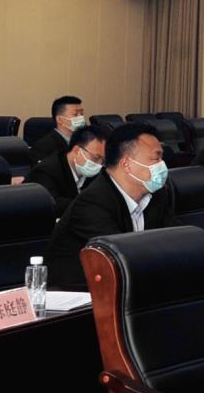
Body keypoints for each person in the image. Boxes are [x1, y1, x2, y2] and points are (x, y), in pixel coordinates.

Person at [42, 122, 176, 289]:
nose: (161, 165)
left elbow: (177, 239)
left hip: (128, 287)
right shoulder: (92, 203)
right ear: (127, 165)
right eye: (156, 158)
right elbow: (123, 257)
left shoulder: (157, 195)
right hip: (79, 293)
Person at [25, 124, 106, 215]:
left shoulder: (96, 173)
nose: (99, 164)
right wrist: (92, 205)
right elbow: (53, 205)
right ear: (77, 151)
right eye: (96, 157)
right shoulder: (45, 171)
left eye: (103, 160)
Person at [29, 96, 87, 165]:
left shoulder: (87, 141)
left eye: (82, 114)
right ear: (59, 119)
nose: (81, 118)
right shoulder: (42, 147)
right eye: (75, 114)